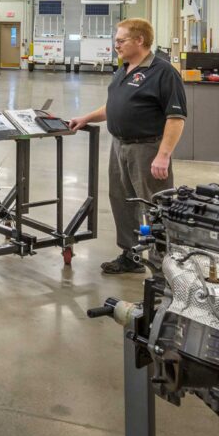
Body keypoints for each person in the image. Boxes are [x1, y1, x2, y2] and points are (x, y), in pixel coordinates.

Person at [68, 17, 186, 275]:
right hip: (119, 146)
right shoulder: (123, 69)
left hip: (148, 149)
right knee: (122, 201)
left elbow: (176, 118)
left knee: (155, 207)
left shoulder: (163, 72)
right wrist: (86, 118)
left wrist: (163, 155)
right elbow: (113, 106)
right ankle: (131, 255)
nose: (116, 45)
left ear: (139, 41)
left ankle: (162, 268)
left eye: (121, 40)